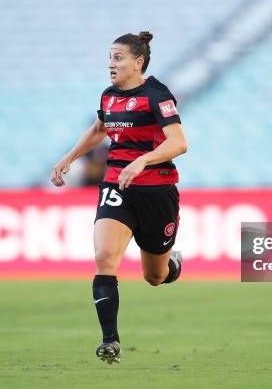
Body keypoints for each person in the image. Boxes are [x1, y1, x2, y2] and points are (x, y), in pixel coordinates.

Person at [51, 32, 187, 364]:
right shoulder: (109, 96)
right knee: (105, 256)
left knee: (154, 276)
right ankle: (109, 340)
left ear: (138, 62)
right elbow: (99, 129)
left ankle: (172, 263)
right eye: (109, 58)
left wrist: (142, 160)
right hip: (117, 186)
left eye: (118, 58)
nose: (111, 64)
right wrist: (69, 157)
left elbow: (178, 143)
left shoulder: (157, 95)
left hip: (157, 191)